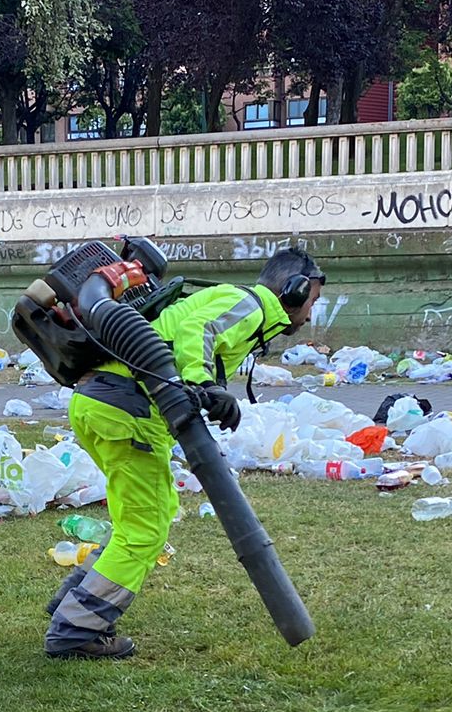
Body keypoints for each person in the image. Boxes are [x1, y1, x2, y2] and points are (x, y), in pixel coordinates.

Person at [44, 247, 325, 659]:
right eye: (312, 301)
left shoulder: (237, 301)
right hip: (126, 409)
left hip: (102, 403)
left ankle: (77, 599)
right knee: (145, 531)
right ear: (295, 291)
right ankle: (74, 629)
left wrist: (202, 387)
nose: (311, 315)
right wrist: (203, 383)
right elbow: (198, 329)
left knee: (145, 516)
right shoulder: (249, 306)